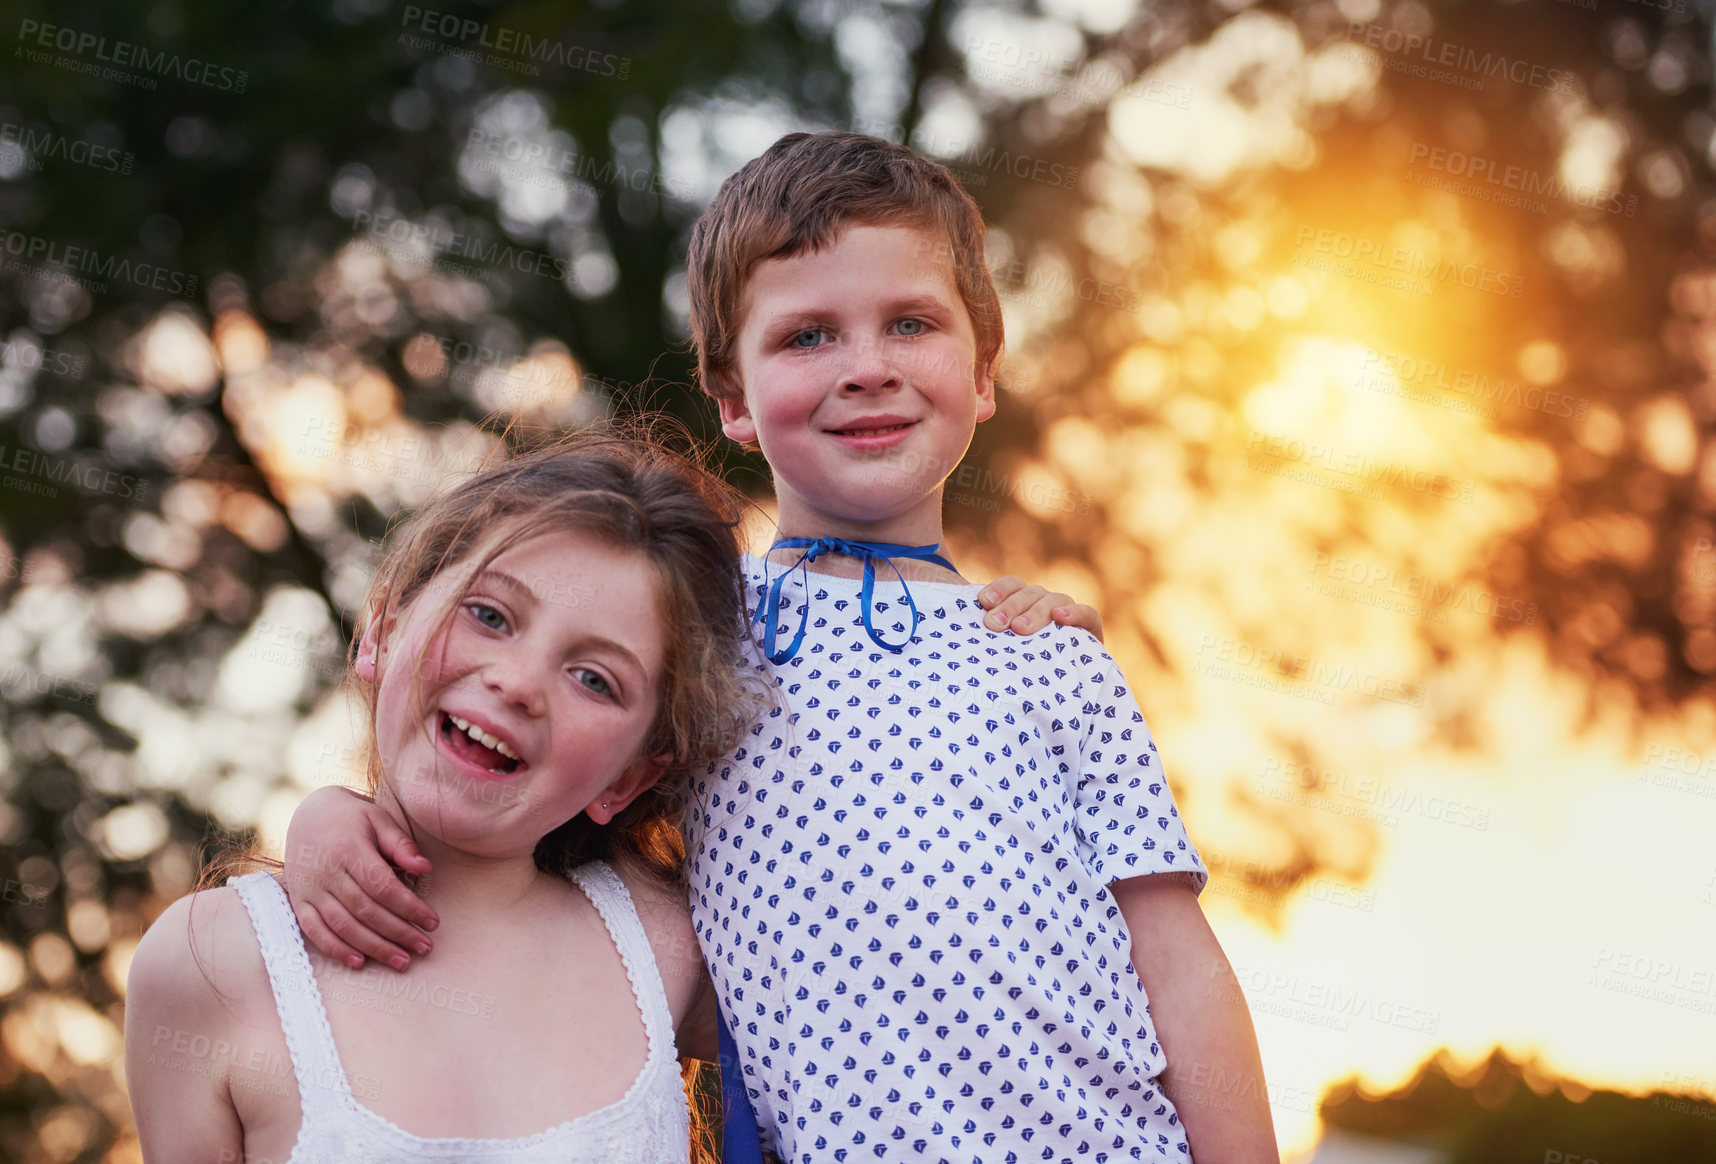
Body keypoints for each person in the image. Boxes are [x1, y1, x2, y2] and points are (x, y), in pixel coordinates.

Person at [281, 131, 1277, 1161]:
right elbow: (524, 818)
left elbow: (1178, 964)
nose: (867, 369)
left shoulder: (1052, 655)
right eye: (808, 337)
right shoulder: (688, 637)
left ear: (984, 372)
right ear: (730, 398)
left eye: (910, 324)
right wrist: (334, 817)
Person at [125, 433, 767, 1163]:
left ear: (630, 777)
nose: (518, 682)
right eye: (490, 616)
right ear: (384, 627)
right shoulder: (209, 961)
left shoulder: (673, 949)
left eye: (595, 679)